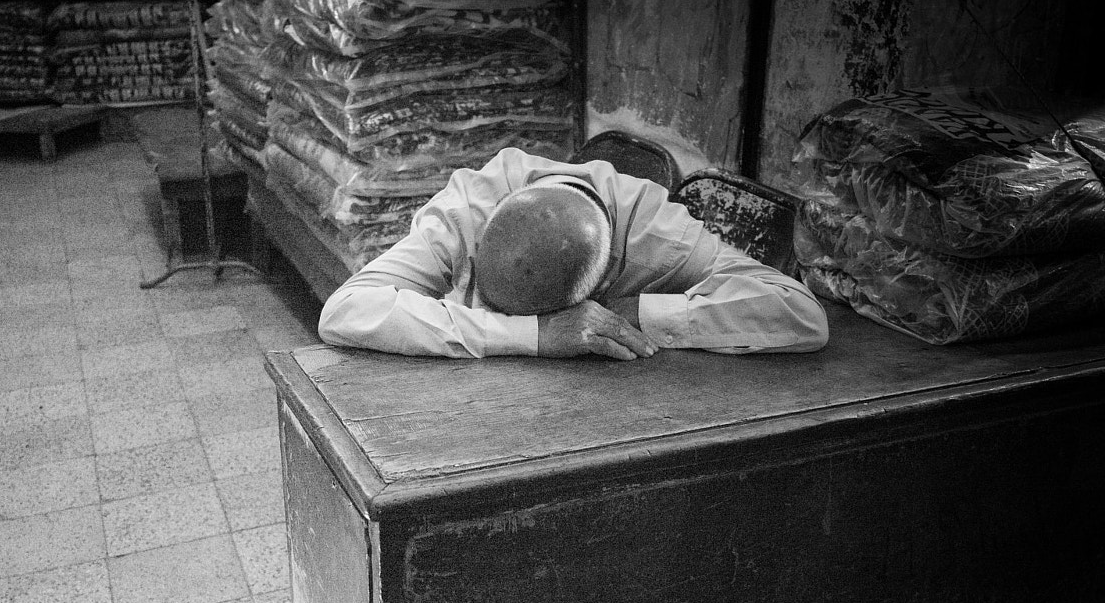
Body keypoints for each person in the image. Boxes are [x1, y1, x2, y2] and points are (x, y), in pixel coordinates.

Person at [317, 147, 829, 360]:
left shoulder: (661, 237)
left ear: (601, 278)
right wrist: (535, 335)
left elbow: (802, 317)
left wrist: (640, 313)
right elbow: (344, 312)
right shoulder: (463, 212)